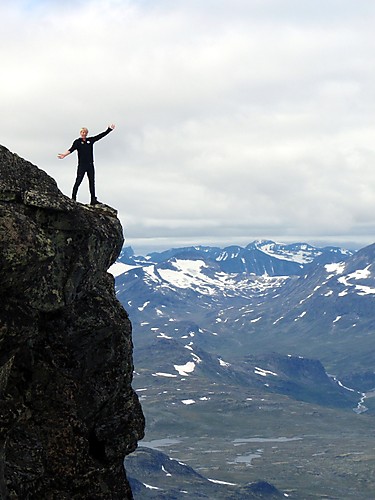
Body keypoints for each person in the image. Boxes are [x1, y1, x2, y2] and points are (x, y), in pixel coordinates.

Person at [58, 124, 115, 205]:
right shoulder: (77, 142)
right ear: (80, 133)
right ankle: (73, 198)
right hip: (82, 165)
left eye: (85, 132)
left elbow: (100, 136)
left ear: (87, 133)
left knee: (92, 182)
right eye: (82, 132)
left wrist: (109, 130)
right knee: (78, 181)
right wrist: (64, 155)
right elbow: (71, 149)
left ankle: (93, 199)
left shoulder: (90, 140)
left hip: (90, 165)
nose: (83, 133)